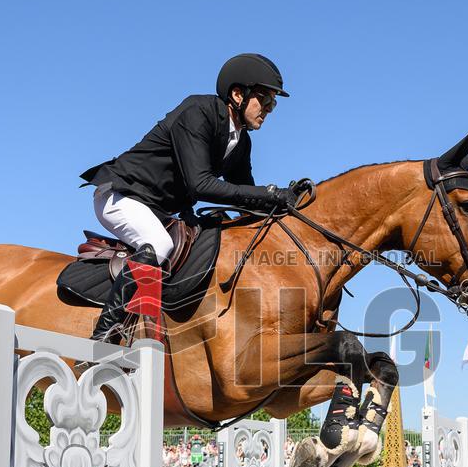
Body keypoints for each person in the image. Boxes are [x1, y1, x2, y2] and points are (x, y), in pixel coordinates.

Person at [79, 53, 302, 343]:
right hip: (123, 195)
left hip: (158, 209)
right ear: (238, 94)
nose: (269, 109)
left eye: (273, 104)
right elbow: (201, 185)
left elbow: (245, 196)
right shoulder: (197, 112)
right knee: (159, 245)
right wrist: (269, 193)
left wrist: (284, 205)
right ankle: (103, 336)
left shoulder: (240, 140)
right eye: (265, 99)